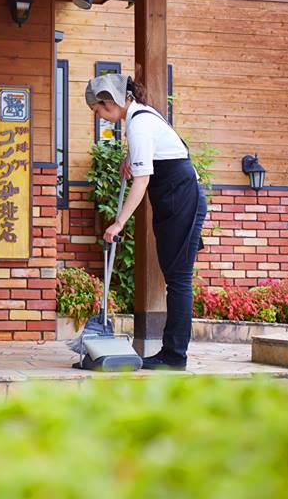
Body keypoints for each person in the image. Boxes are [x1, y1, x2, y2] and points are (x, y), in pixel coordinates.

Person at [84, 71, 207, 370]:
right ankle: (172, 353)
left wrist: (118, 224)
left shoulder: (138, 123)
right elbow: (162, 153)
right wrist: (132, 159)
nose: (99, 115)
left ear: (110, 101)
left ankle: (174, 356)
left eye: (98, 109)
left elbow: (141, 182)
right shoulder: (141, 116)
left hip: (181, 200)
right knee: (176, 279)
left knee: (178, 281)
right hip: (174, 200)